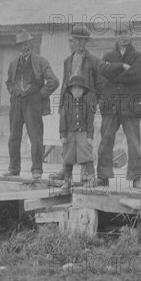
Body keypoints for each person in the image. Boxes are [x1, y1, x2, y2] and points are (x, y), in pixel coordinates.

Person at [49, 24, 103, 182]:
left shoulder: (94, 61)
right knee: (69, 138)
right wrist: (62, 104)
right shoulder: (68, 61)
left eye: (75, 40)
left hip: (86, 105)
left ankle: (87, 174)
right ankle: (66, 171)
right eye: (71, 40)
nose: (72, 43)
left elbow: (100, 85)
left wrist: (93, 103)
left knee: (85, 140)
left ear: (83, 42)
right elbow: (65, 83)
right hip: (69, 103)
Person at [3, 28, 59, 180]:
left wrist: (40, 95)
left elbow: (53, 81)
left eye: (26, 43)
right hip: (16, 103)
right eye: (20, 44)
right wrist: (13, 91)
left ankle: (37, 169)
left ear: (32, 44)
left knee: (36, 137)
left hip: (33, 104)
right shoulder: (13, 63)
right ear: (17, 47)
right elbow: (9, 82)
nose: (23, 47)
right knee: (14, 136)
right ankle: (14, 168)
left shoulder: (41, 61)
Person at [95, 22, 141, 189]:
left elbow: (136, 75)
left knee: (134, 143)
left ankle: (136, 177)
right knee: (105, 141)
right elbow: (102, 69)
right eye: (119, 33)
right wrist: (122, 67)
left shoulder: (138, 56)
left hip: (131, 106)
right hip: (111, 106)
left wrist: (113, 74)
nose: (122, 36)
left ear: (130, 34)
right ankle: (102, 177)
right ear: (115, 36)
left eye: (125, 32)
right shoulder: (108, 56)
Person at [59, 76, 97, 190]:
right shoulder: (67, 103)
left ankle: (91, 180)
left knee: (87, 156)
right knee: (68, 157)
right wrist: (62, 134)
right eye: (74, 89)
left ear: (84, 91)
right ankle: (67, 181)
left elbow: (90, 120)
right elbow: (63, 119)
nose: (77, 91)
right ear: (70, 90)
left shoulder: (87, 103)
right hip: (69, 134)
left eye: (79, 89)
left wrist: (90, 135)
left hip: (83, 133)